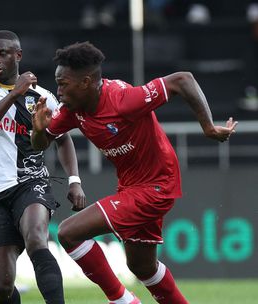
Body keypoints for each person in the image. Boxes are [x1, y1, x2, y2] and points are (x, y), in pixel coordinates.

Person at [31, 41, 238, 304]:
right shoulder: (74, 110)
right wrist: (39, 130)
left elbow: (183, 79)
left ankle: (122, 300)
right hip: (131, 186)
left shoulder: (123, 101)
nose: (58, 91)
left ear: (85, 82)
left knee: (68, 232)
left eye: (64, 84)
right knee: (142, 267)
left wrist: (208, 127)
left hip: (156, 186)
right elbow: (42, 143)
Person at [0, 30, 139, 304]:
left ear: (18, 55)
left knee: (36, 238)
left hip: (29, 183)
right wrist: (13, 95)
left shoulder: (42, 96)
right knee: (2, 285)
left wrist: (74, 180)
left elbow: (62, 139)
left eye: (2, 54)